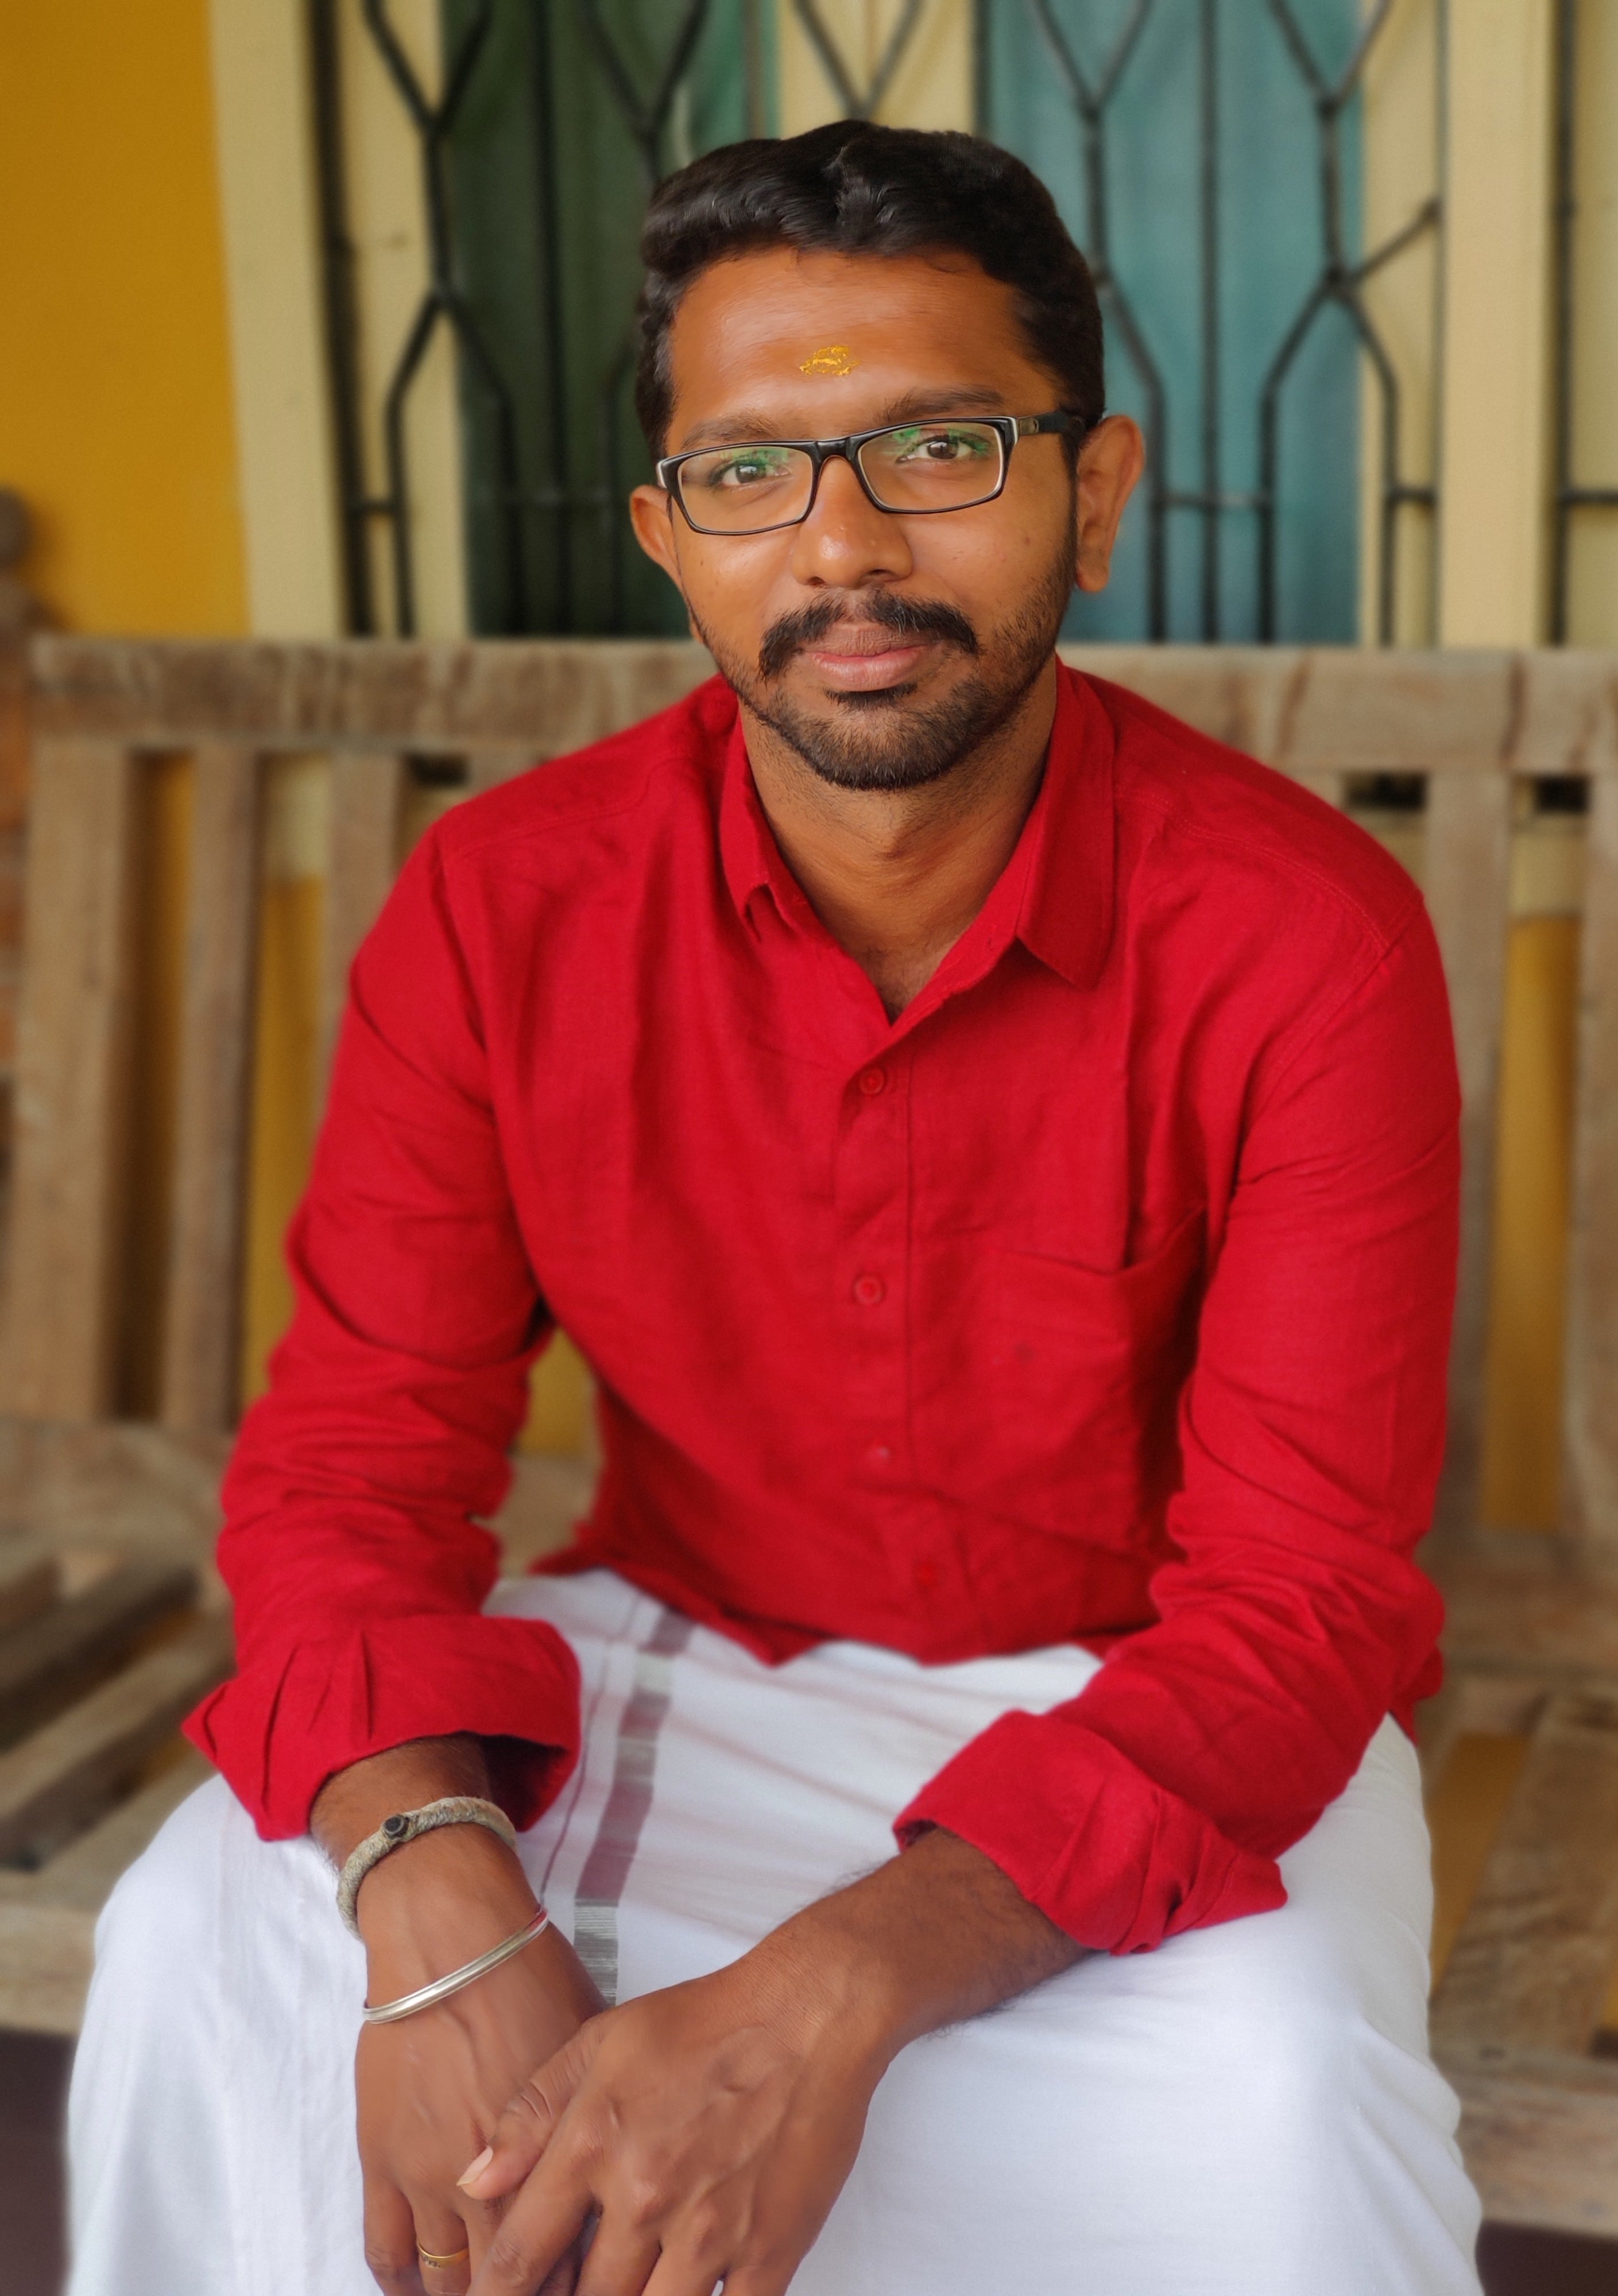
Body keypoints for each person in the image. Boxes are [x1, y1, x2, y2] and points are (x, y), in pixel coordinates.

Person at [67, 120, 1482, 2296]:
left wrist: (831, 1996)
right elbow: (358, 1459)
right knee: (203, 1946)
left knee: (1281, 2110)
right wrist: (436, 1891)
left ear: (1095, 494)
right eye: (748, 471)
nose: (843, 545)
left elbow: (1296, 1605)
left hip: (1155, 1713)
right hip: (683, 1648)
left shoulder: (1308, 943)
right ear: (667, 534)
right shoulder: (507, 909)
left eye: (941, 448)